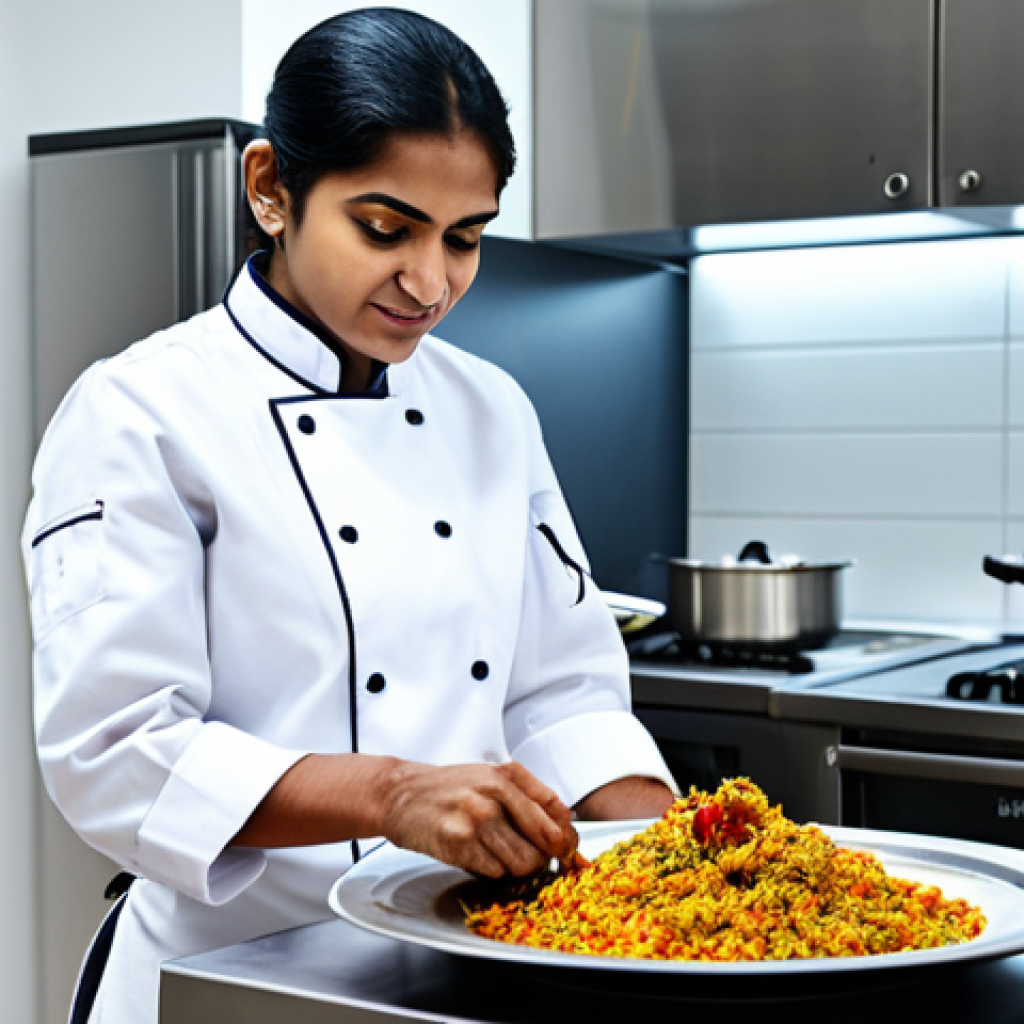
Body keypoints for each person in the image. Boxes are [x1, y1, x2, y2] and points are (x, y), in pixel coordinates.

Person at [23, 9, 677, 1023]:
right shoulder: (140, 410)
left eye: (464, 238)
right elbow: (114, 751)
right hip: (222, 974)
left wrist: (680, 857)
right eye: (385, 228)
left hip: (454, 967)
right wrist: (391, 794)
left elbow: (562, 695)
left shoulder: (491, 408)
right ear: (271, 189)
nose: (430, 282)